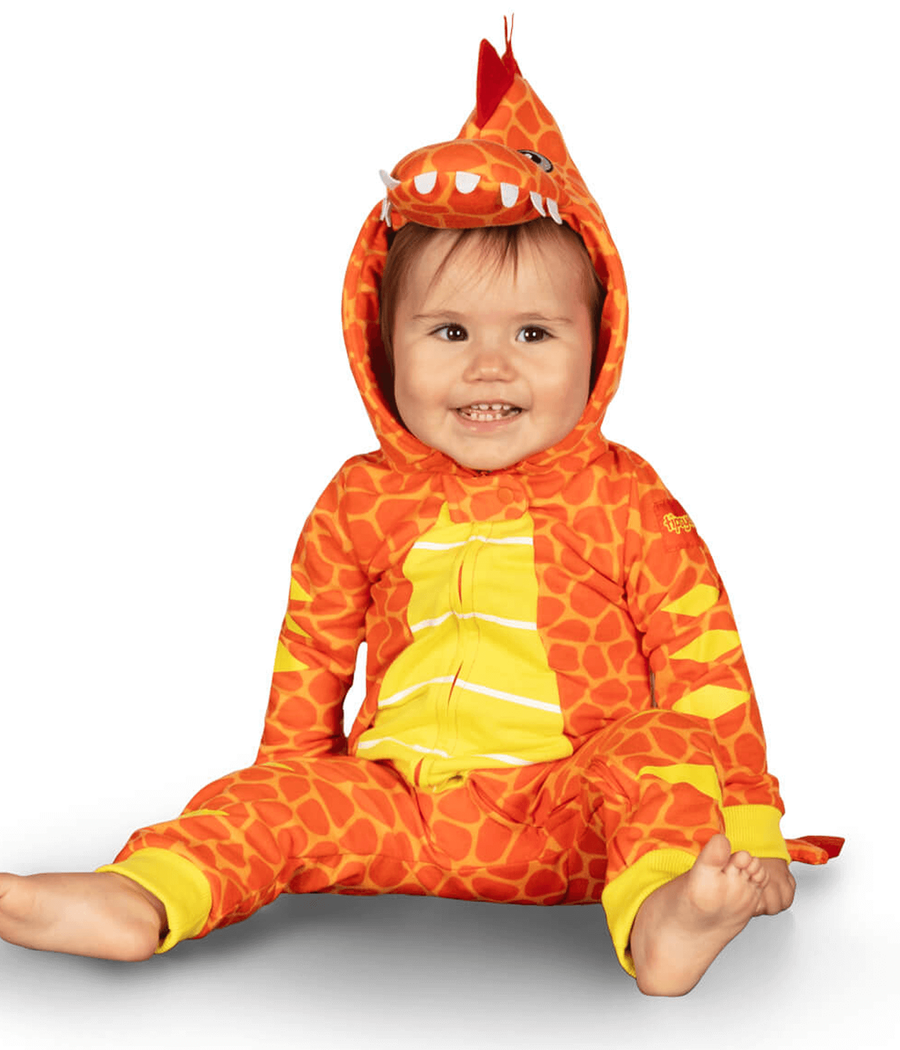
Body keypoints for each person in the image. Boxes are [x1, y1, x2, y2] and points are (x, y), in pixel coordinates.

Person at [0, 28, 841, 996]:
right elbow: (310, 662)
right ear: (382, 344)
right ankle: (144, 894)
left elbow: (705, 663)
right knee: (258, 794)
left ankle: (665, 913)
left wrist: (751, 831)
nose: (489, 366)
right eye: (448, 330)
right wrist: (290, 792)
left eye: (534, 333)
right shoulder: (359, 498)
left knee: (661, 749)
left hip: (570, 824)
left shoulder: (625, 497)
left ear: (599, 342)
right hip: (394, 813)